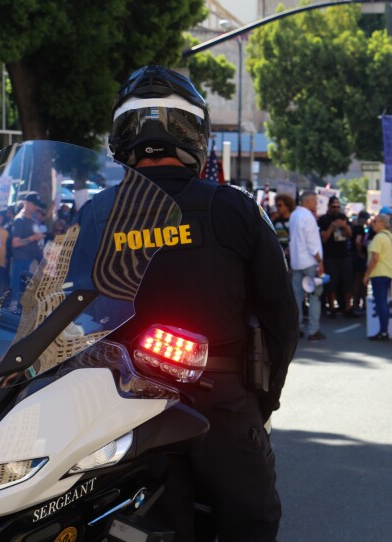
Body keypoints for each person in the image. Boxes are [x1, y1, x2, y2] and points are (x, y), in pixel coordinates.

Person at [103, 65, 298, 542]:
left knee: (132, 529)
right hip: (223, 402)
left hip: (119, 406)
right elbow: (282, 318)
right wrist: (262, 399)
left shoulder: (93, 213)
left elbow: (50, 308)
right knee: (248, 525)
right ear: (193, 133)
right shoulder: (236, 207)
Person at [290, 191, 326, 341]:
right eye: (315, 200)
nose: (317, 203)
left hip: (297, 261)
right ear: (308, 201)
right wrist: (319, 261)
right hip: (310, 261)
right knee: (314, 295)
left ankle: (296, 329)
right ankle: (313, 330)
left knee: (297, 297)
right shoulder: (307, 217)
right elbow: (312, 243)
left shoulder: (294, 215)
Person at [363, 213, 392, 340]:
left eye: (375, 221)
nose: (373, 223)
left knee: (381, 303)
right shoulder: (390, 236)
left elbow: (375, 258)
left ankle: (384, 331)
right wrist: (387, 259)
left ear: (382, 223)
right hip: (388, 272)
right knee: (382, 301)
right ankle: (383, 330)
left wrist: (367, 274)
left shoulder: (379, 237)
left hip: (379, 273)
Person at [318, 196, 355, 318]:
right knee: (331, 283)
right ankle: (332, 308)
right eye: (334, 207)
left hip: (344, 255)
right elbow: (323, 238)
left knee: (347, 282)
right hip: (330, 256)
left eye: (338, 207)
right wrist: (332, 226)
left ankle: (347, 307)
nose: (336, 209)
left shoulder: (343, 217)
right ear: (328, 206)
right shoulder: (324, 219)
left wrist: (344, 226)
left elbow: (350, 234)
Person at [9, 192, 46, 306]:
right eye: (34, 204)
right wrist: (33, 238)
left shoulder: (33, 220)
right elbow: (15, 243)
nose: (36, 207)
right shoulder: (19, 220)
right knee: (18, 291)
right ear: (27, 203)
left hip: (32, 261)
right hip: (21, 261)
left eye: (37, 205)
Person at [350, 210, 371, 313]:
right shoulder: (359, 229)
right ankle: (358, 303)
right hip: (358, 259)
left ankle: (357, 303)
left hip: (355, 257)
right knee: (360, 281)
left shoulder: (355, 228)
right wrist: (360, 253)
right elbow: (358, 241)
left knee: (358, 282)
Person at [272, 193, 294, 264]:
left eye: (280, 206)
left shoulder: (294, 220)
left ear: (287, 206)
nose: (278, 208)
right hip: (280, 256)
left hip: (292, 255)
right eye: (277, 206)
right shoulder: (276, 221)